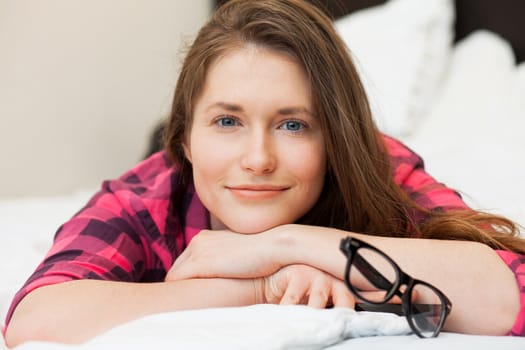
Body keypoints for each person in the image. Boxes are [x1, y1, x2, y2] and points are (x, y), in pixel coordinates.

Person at [4, 0, 525, 346]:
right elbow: (35, 322)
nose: (257, 158)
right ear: (184, 137)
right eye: (227, 121)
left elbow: (512, 297)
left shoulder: (377, 166)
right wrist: (261, 287)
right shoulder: (145, 195)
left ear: (335, 138)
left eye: (293, 124)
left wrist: (291, 244)